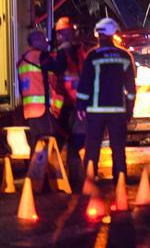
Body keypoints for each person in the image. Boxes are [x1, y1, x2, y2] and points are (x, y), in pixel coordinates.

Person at [76, 18, 136, 182]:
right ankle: (120, 177)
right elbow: (131, 88)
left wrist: (80, 106)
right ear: (113, 35)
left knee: (92, 146)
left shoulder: (93, 56)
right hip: (118, 111)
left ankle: (89, 177)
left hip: (95, 111)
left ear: (99, 35)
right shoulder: (125, 56)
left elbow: (85, 83)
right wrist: (129, 109)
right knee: (118, 146)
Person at [52, 17, 87, 186]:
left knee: (59, 142)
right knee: (74, 143)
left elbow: (56, 71)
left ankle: (54, 178)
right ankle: (77, 179)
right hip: (81, 104)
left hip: (67, 105)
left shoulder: (62, 53)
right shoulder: (81, 51)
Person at [17, 29, 65, 146]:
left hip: (29, 110)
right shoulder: (41, 57)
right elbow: (59, 67)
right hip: (42, 109)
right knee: (50, 139)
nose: (46, 43)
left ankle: (34, 164)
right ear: (37, 41)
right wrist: (62, 50)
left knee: (36, 141)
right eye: (44, 40)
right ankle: (47, 164)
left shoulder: (22, 60)